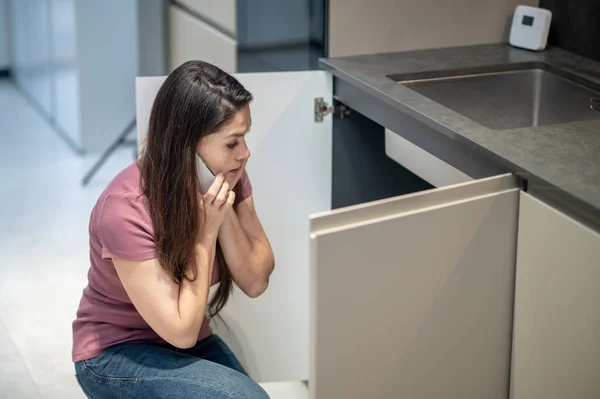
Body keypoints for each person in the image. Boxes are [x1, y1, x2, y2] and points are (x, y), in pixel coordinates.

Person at [72, 60, 275, 398]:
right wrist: (205, 234)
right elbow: (180, 331)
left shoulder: (223, 176)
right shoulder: (125, 209)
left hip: (186, 337)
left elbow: (255, 280)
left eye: (244, 139)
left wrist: (221, 213)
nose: (245, 153)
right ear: (187, 146)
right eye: (232, 143)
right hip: (114, 352)